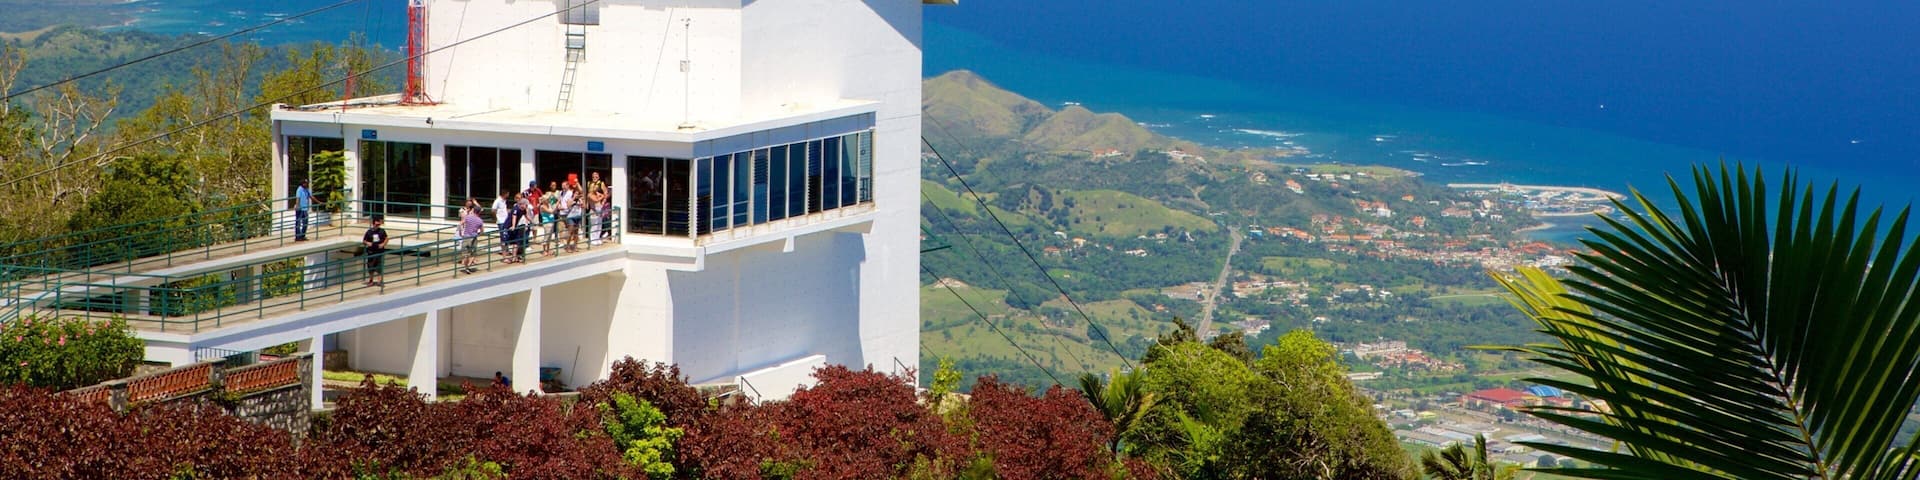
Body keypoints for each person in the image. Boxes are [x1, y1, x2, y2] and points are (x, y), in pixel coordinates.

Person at [457, 199, 483, 274]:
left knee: (466, 254)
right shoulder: (480, 220)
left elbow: (460, 224)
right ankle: (468, 266)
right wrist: (478, 234)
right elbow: (482, 231)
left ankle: (466, 267)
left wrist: (460, 232)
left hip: (466, 236)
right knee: (473, 253)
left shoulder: (468, 217)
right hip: (474, 237)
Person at [362, 214, 389, 287]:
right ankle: (371, 281)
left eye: (379, 225)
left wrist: (383, 244)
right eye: (377, 225)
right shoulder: (369, 232)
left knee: (379, 267)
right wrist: (368, 243)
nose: (378, 226)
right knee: (371, 267)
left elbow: (386, 238)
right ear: (373, 224)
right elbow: (364, 241)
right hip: (371, 252)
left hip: (380, 251)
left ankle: (379, 281)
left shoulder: (382, 231)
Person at [492, 189, 512, 257]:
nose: (508, 195)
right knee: (503, 236)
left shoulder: (504, 201)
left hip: (506, 220)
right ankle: (504, 250)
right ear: (505, 194)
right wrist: (496, 219)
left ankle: (507, 249)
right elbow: (493, 210)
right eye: (507, 194)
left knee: (507, 235)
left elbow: (504, 209)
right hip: (501, 221)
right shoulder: (497, 201)